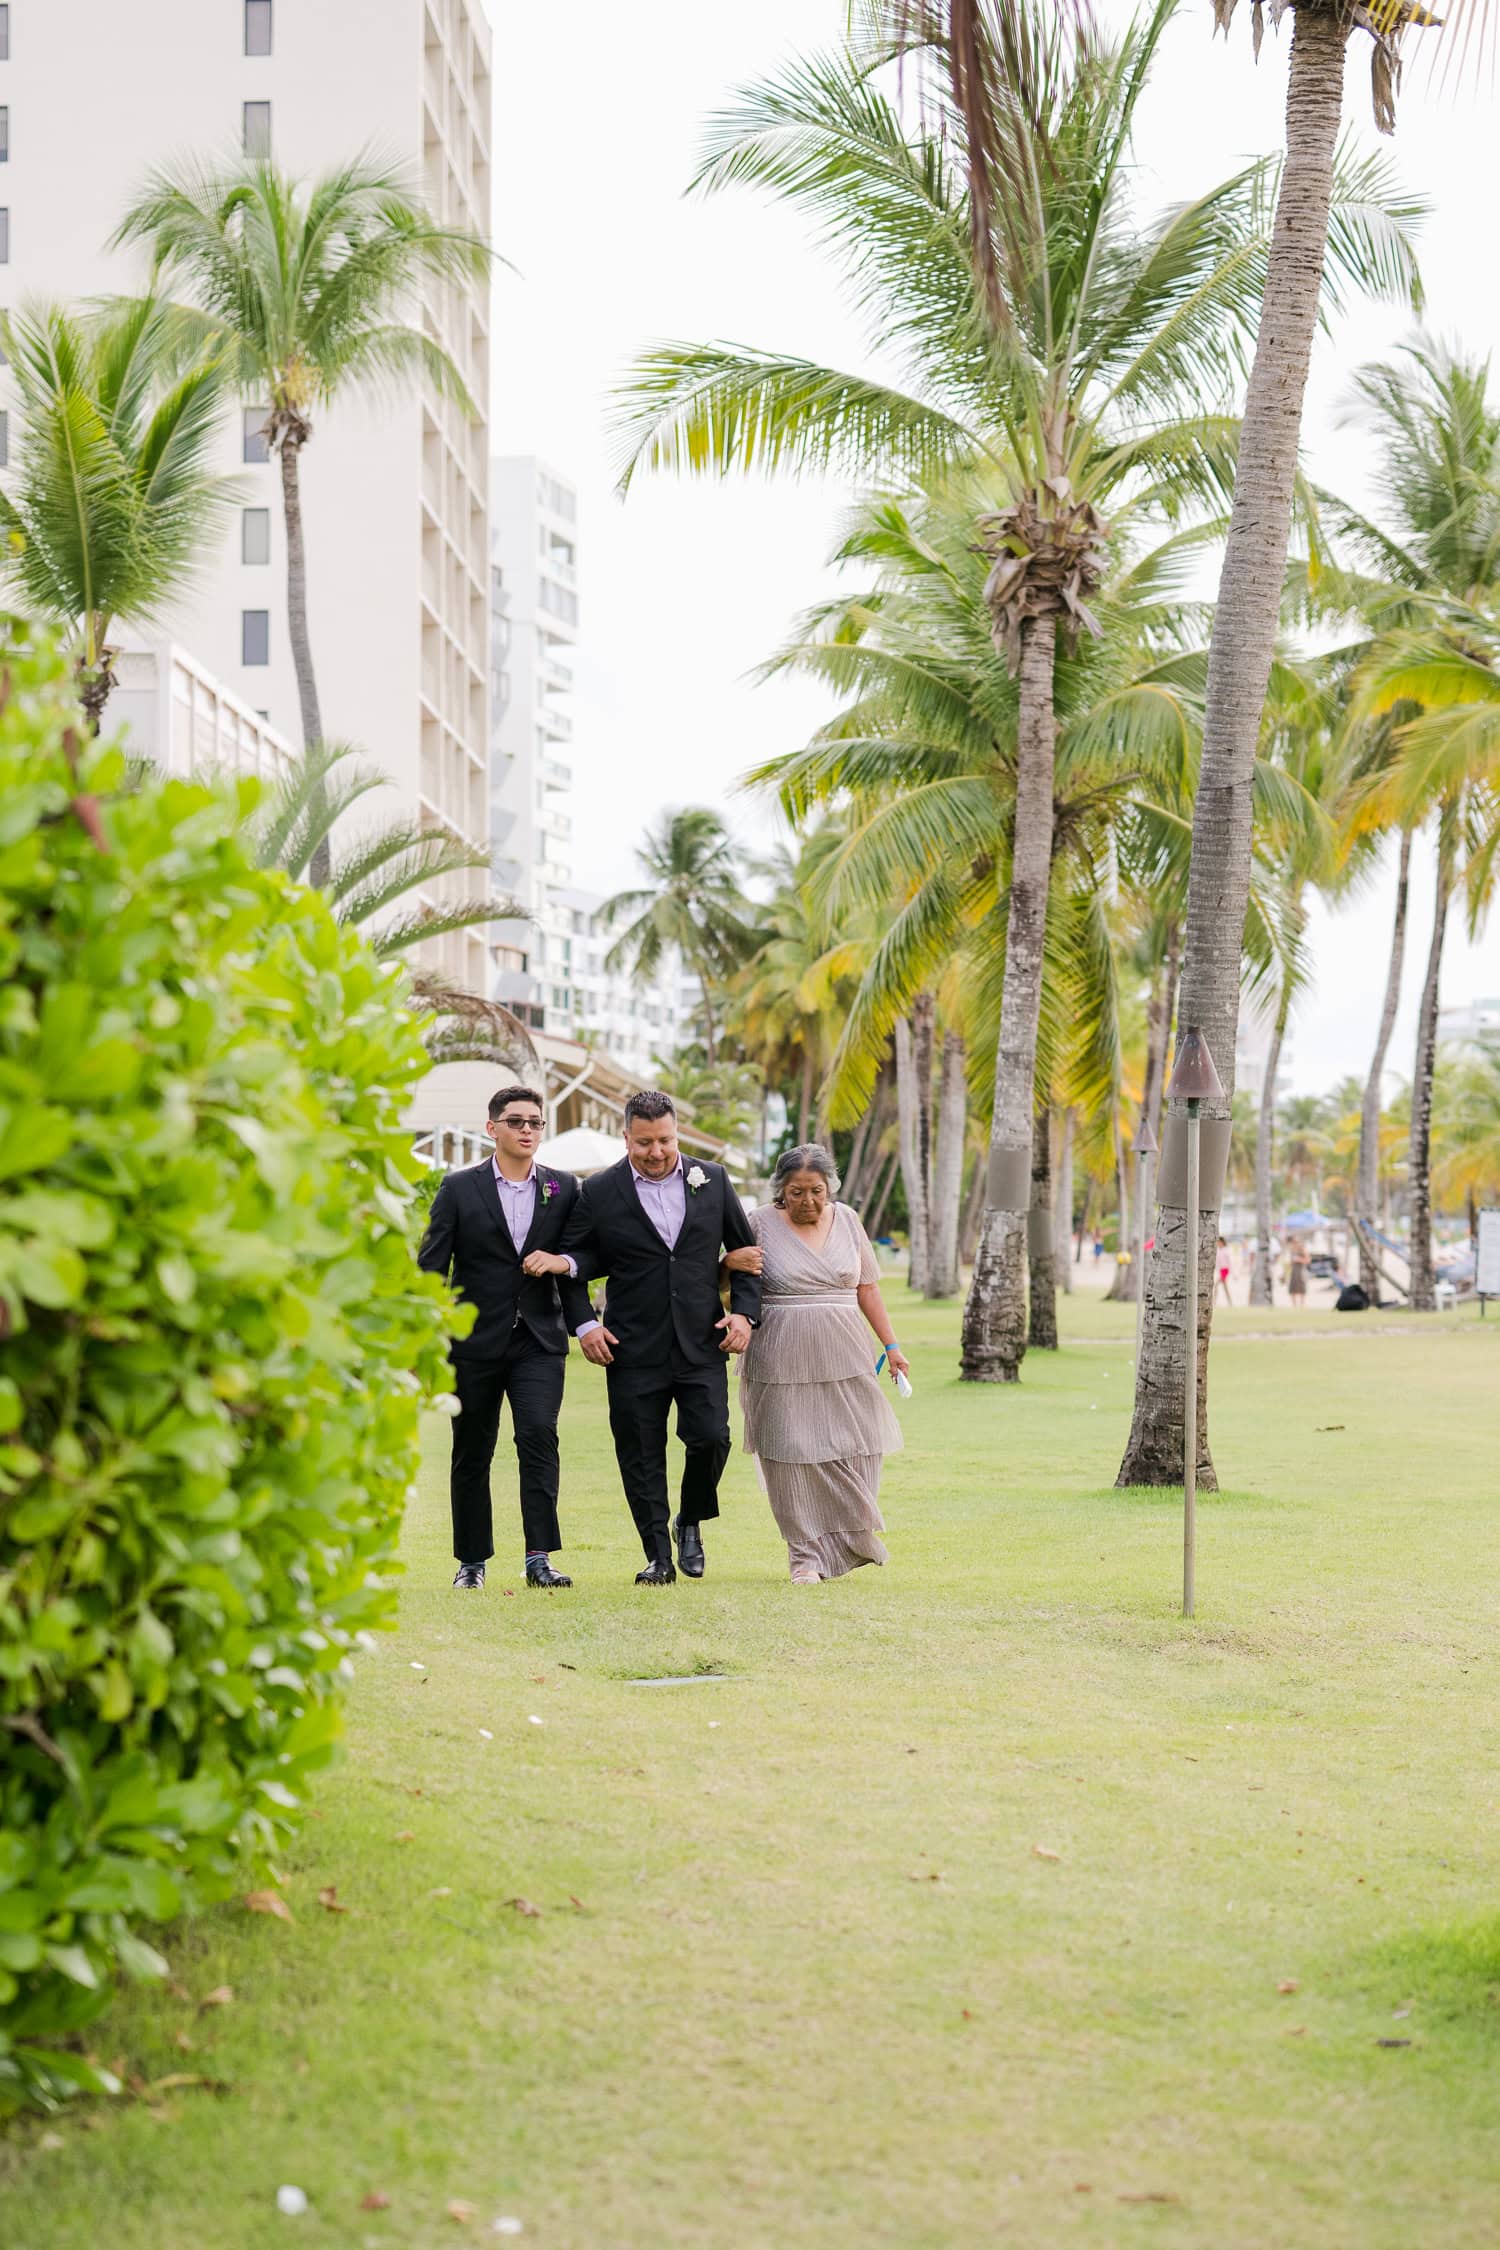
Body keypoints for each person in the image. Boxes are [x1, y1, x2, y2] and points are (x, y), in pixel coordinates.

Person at [538, 1090, 761, 1586]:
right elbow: (571, 1264)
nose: (656, 1152)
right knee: (639, 1452)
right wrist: (586, 1324)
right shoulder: (598, 1191)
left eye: (664, 1140)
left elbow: (745, 1254)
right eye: (644, 1143)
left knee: (711, 1437)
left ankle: (691, 1519)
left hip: (703, 1340)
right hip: (630, 1345)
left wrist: (744, 1314)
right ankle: (658, 1556)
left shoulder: (714, 1179)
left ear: (676, 1132)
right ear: (627, 1138)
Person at [417, 1086, 593, 1592]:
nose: (527, 1130)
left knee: (539, 1436)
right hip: (472, 1340)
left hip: (538, 1339)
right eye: (516, 1121)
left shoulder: (564, 1188)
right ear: (491, 1127)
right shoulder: (457, 1188)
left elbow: (580, 1258)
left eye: (536, 1123)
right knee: (472, 1448)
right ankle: (471, 1561)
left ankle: (539, 1558)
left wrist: (563, 1264)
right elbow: (431, 1268)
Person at [739, 1146, 908, 1585]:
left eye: (817, 1191)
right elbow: (731, 1282)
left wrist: (891, 1346)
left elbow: (867, 1288)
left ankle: (849, 1539)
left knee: (859, 1445)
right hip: (778, 1354)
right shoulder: (758, 1223)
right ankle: (805, 1557)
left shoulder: (847, 1219)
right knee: (790, 1452)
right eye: (796, 1192)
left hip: (845, 1351)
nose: (808, 1201)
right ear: (781, 1190)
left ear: (830, 1187)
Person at [1215, 1235, 1233, 1308]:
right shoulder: (1219, 1250)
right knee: (1225, 1287)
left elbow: (1229, 1261)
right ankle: (1230, 1302)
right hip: (1221, 1270)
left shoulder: (1226, 1250)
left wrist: (1231, 1271)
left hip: (1225, 1270)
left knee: (1216, 1285)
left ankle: (1214, 1301)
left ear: (1222, 1242)